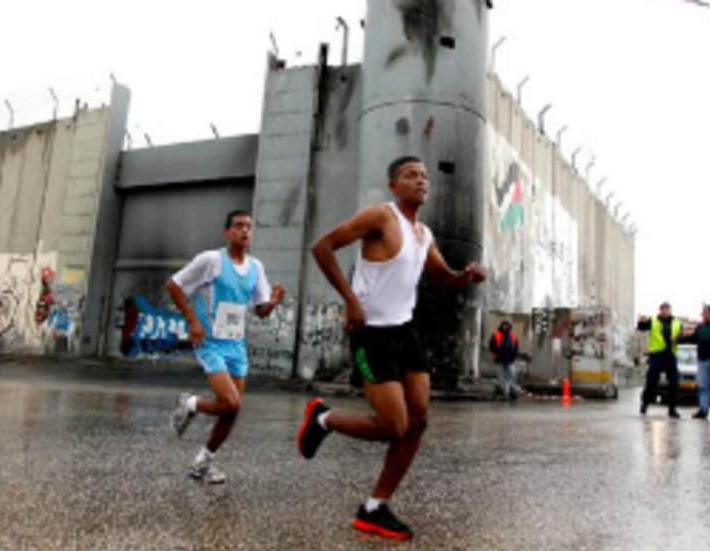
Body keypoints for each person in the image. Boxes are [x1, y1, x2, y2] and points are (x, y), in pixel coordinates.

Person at [295, 156, 486, 541]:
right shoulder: (380, 218)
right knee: (392, 425)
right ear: (393, 185)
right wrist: (350, 299)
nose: (420, 181)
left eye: (424, 176)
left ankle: (374, 508)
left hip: (405, 332)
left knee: (417, 422)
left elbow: (442, 279)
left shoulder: (423, 234)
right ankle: (322, 419)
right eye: (410, 175)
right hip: (371, 334)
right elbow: (322, 247)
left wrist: (465, 276)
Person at [167, 210, 285, 485]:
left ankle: (203, 463)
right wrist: (192, 320)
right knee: (229, 401)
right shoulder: (211, 261)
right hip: (209, 342)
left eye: (249, 227)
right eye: (238, 226)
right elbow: (173, 285)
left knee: (232, 409)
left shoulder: (256, 267)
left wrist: (274, 302)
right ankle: (191, 403)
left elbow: (261, 310)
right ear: (227, 232)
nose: (245, 231)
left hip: (236, 345)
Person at [636, 302, 682, 418]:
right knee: (651, 380)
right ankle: (645, 404)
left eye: (667, 309)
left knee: (674, 382)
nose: (665, 311)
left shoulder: (677, 323)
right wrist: (641, 321)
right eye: (663, 309)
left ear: (670, 310)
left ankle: (672, 409)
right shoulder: (653, 321)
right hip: (657, 355)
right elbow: (642, 327)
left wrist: (679, 338)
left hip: (670, 355)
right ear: (660, 310)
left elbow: (682, 336)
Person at [490, 320, 521, 400]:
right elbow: (492, 346)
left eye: (507, 325)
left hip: (510, 359)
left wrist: (513, 356)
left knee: (512, 375)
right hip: (499, 358)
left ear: (509, 326)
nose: (505, 327)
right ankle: (500, 390)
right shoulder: (496, 334)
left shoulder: (513, 336)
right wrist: (497, 351)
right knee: (501, 376)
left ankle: (512, 391)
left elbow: (516, 347)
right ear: (501, 326)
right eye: (504, 325)